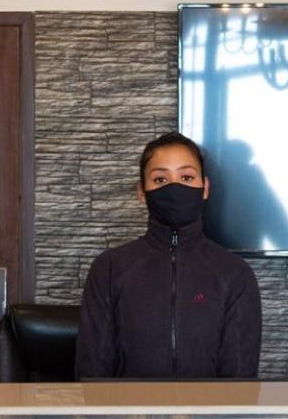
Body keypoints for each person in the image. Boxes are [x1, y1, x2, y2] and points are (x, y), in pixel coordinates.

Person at [75, 132, 262, 378]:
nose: (174, 187)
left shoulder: (235, 273)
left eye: (186, 177)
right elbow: (92, 374)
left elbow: (239, 380)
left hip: (205, 406)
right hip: (130, 405)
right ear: (142, 191)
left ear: (205, 188)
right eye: (160, 179)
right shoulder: (109, 268)